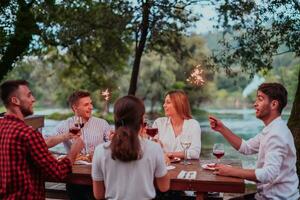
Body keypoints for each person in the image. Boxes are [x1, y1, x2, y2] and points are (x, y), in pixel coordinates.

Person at [209, 83, 299, 200]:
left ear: (274, 104)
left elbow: (268, 174)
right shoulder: (270, 129)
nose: (255, 104)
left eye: (260, 99)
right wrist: (222, 128)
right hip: (264, 196)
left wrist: (231, 171)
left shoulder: (277, 134)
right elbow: (246, 147)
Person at [0, 80, 84, 199]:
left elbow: (39, 146)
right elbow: (58, 173)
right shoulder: (28, 133)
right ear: (15, 100)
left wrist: (66, 135)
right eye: (29, 95)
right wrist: (74, 151)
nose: (33, 99)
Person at [92, 95, 170, 200]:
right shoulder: (154, 148)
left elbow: (98, 195)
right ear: (142, 120)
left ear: (116, 119)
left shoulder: (100, 150)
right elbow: (164, 187)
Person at [46, 90, 111, 200]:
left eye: (91, 103)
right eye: (86, 105)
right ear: (75, 108)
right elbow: (45, 143)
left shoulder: (102, 123)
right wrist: (65, 136)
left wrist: (112, 140)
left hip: (98, 174)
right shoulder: (65, 125)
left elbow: (111, 145)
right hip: (75, 177)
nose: (91, 107)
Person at [153, 90, 201, 159]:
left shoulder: (193, 125)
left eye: (168, 102)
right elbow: (152, 150)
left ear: (179, 104)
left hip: (186, 168)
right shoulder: (159, 123)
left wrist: (169, 154)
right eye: (164, 102)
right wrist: (154, 145)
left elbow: (195, 153)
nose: (164, 105)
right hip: (164, 167)